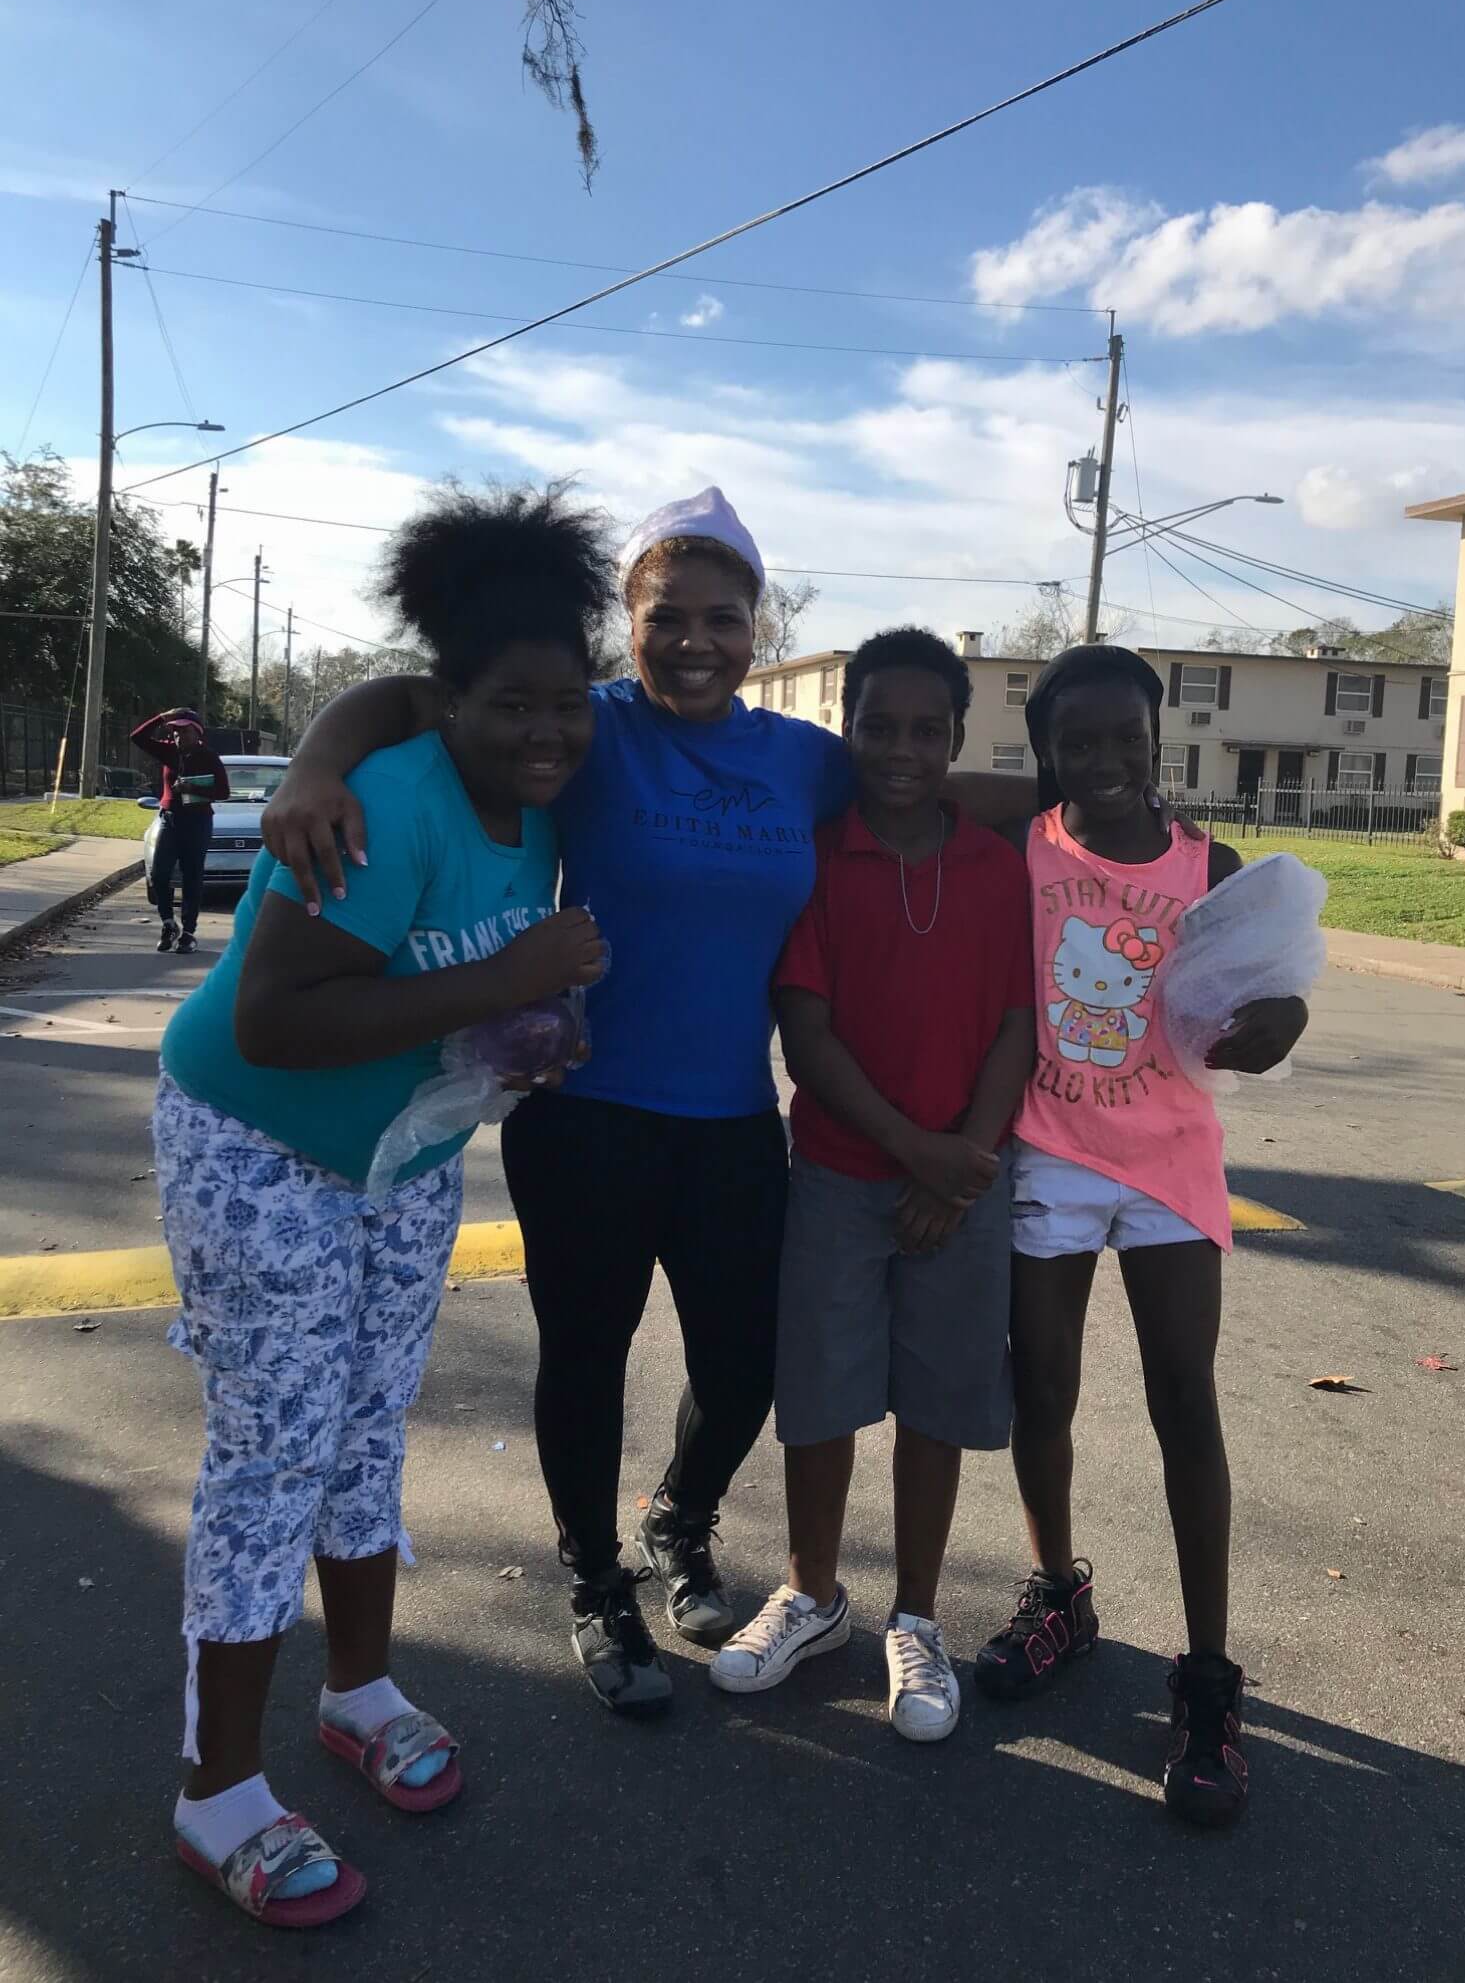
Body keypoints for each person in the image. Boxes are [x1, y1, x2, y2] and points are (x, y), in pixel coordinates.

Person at [261, 488, 1059, 1719]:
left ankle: (679, 1518)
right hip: (586, 1114)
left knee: (746, 1366)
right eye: (667, 617)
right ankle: (597, 1579)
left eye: (723, 618)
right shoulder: (584, 725)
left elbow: (944, 788)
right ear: (627, 624)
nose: (695, 641)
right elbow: (408, 700)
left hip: (732, 1119)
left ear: (758, 626)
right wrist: (315, 764)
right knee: (586, 1358)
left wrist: (1135, 825)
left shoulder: (803, 760)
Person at [153, 484, 610, 1928]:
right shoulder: (386, 801)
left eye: (568, 703)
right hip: (257, 1141)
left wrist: (523, 1032)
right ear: (448, 699)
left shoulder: (542, 797)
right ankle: (217, 1789)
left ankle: (358, 1690)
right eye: (510, 704)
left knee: (366, 1426)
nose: (545, 731)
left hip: (403, 1157)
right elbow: (278, 1016)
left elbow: (459, 974)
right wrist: (507, 980)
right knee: (273, 1451)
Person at [970, 644, 1308, 1827]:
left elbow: (1271, 991)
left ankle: (1208, 1675)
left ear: (1159, 739)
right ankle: (1059, 1593)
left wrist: (1281, 1017)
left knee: (1183, 1401)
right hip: (1053, 1149)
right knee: (1042, 1387)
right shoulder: (1019, 844)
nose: (1106, 760)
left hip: (1168, 1158)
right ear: (1045, 750)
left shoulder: (1210, 865)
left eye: (1127, 738)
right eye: (1079, 741)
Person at [709, 630, 1035, 1743]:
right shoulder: (822, 856)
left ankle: (918, 1616)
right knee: (821, 1391)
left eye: (927, 729)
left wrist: (966, 1158)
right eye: (879, 726)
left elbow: (1017, 1023)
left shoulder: (995, 867)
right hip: (844, 1175)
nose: (902, 749)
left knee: (938, 1401)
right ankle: (812, 1593)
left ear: (957, 738)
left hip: (965, 1180)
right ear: (846, 730)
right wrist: (912, 1149)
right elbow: (807, 1031)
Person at [130, 706, 230, 953]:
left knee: (192, 877)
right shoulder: (168, 752)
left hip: (197, 822)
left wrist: (192, 789)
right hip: (170, 820)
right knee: (159, 875)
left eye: (184, 732)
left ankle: (188, 932)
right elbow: (137, 738)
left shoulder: (209, 757)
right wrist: (161, 718)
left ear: (197, 733)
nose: (178, 736)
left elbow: (223, 792)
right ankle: (168, 923)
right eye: (175, 732)